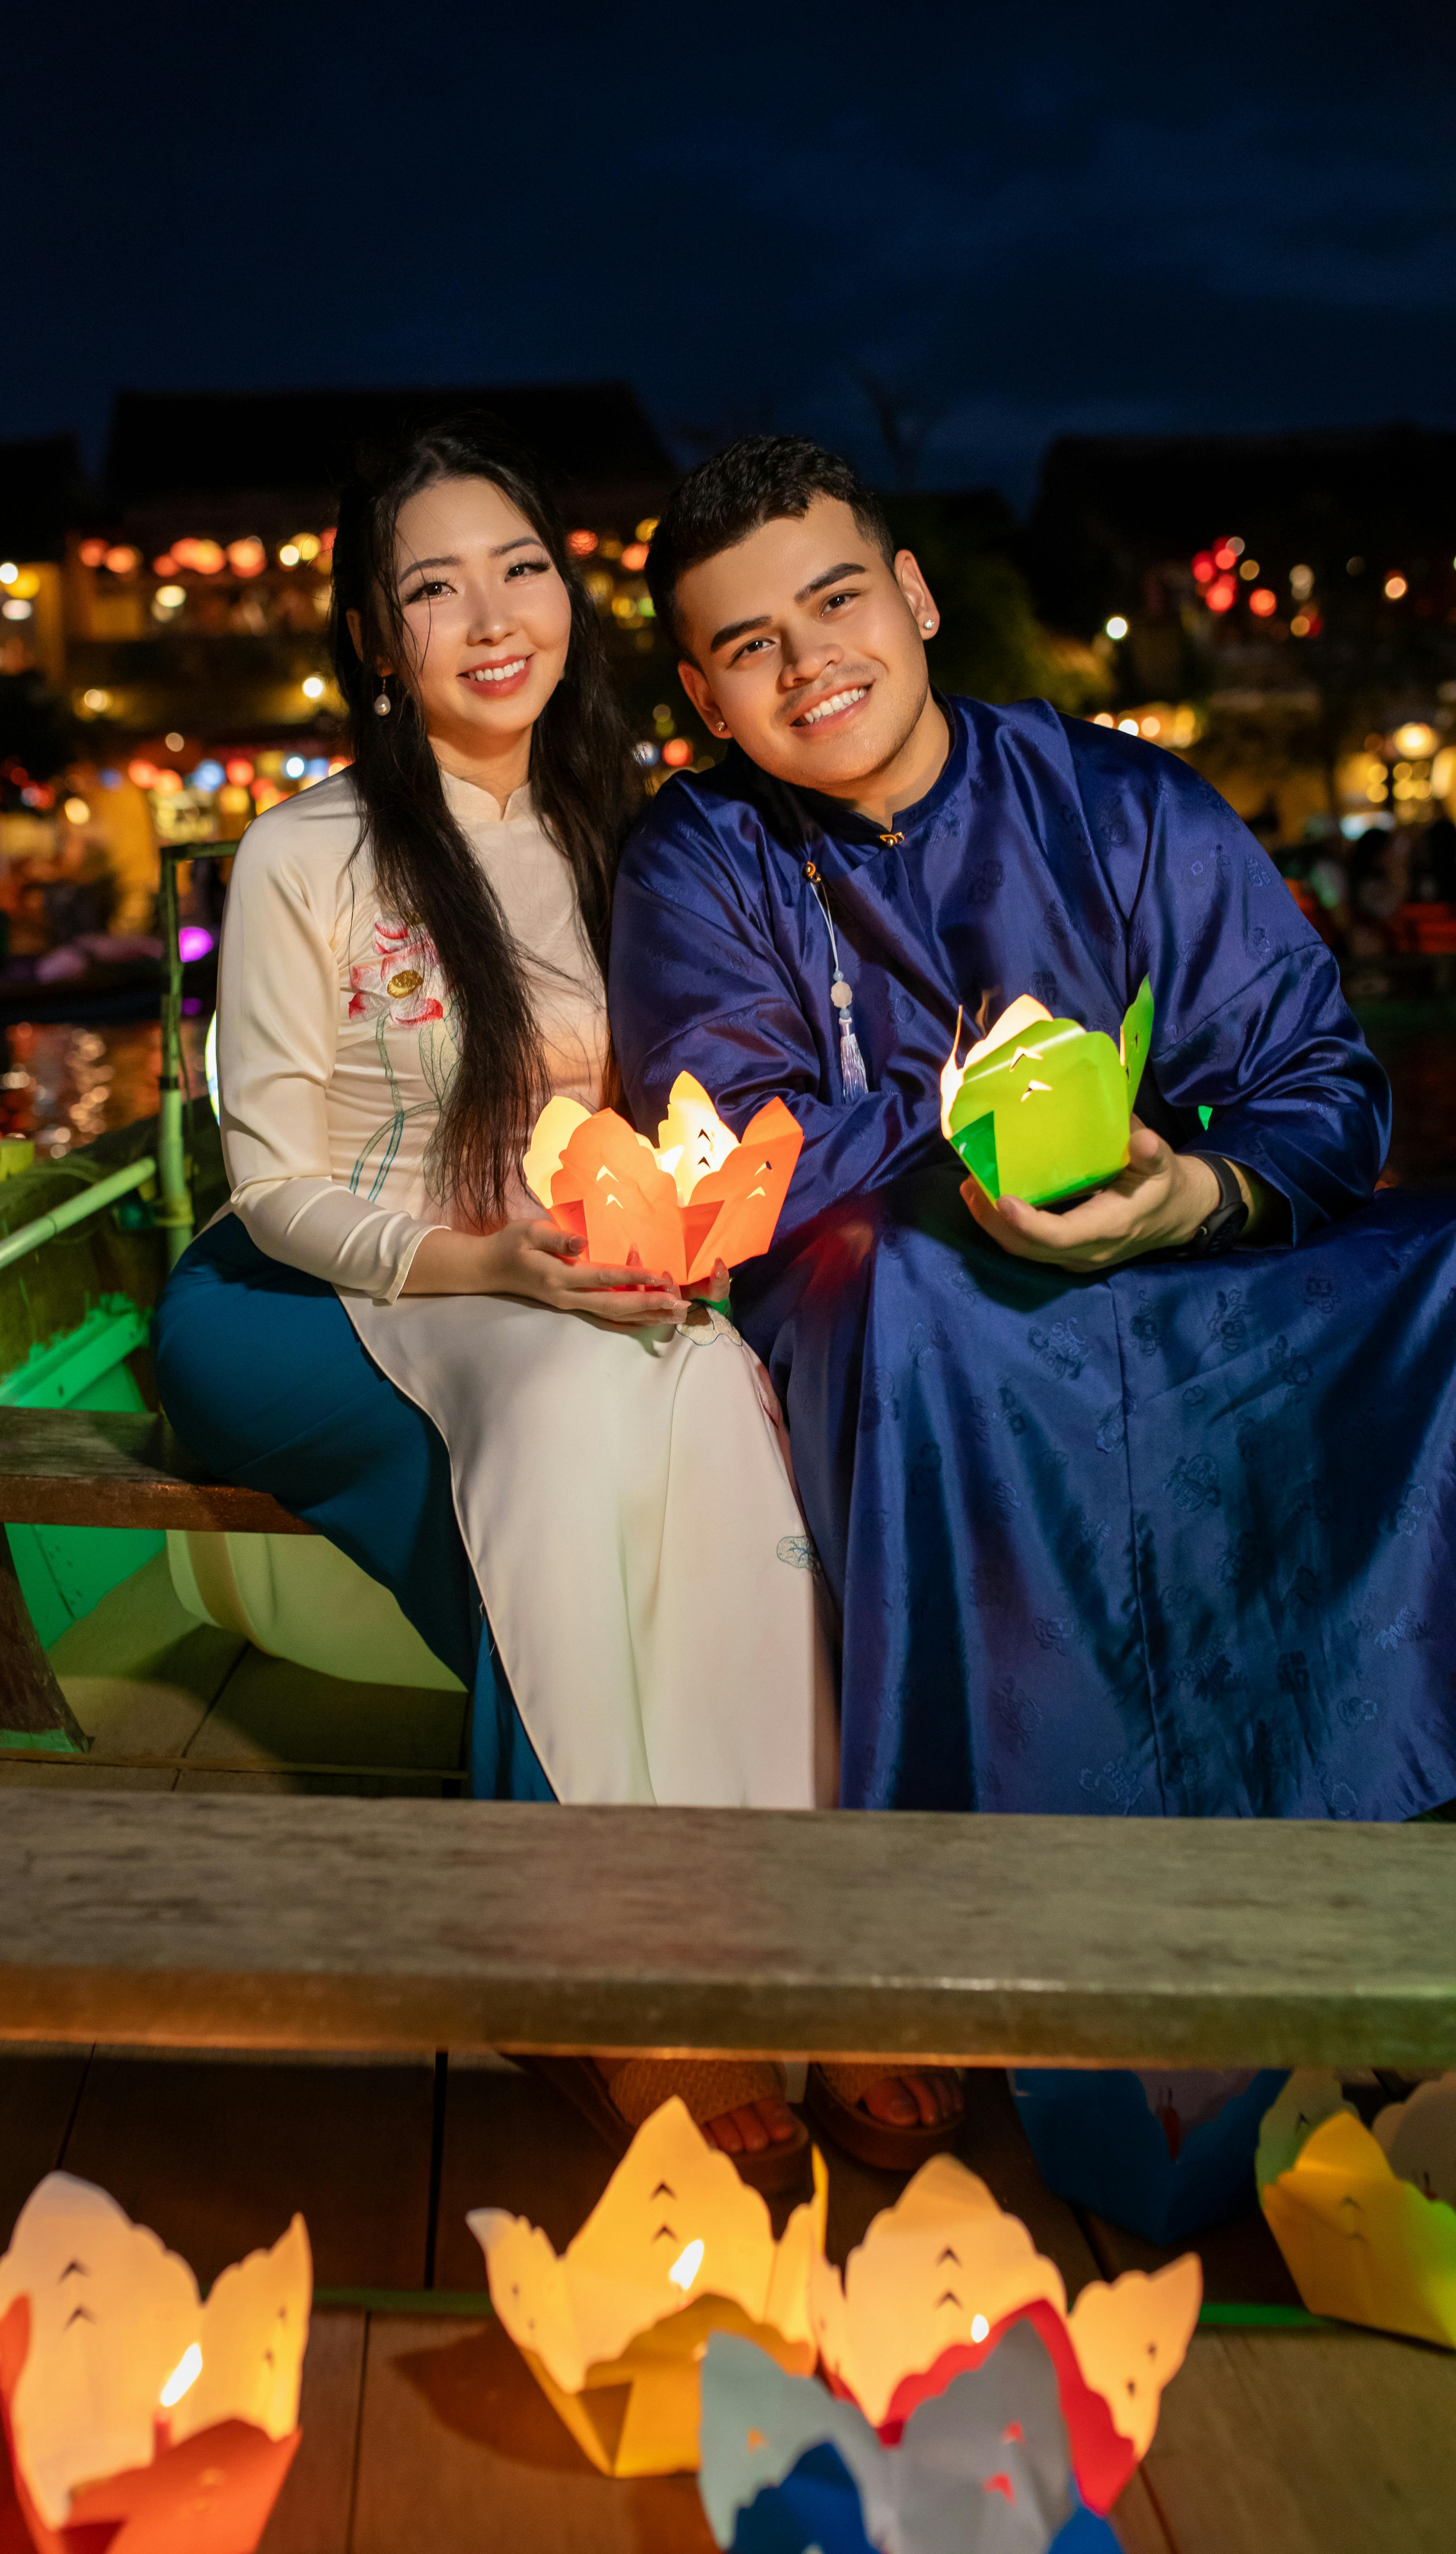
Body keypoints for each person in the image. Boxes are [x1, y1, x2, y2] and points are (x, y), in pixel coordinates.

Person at [155, 421, 939, 2185]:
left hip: (568, 1263)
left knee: (723, 1410)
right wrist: (496, 1266)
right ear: (373, 634)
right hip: (317, 1284)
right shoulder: (313, 850)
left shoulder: (633, 838)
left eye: (519, 568)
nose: (490, 616)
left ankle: (799, 1943)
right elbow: (267, 1185)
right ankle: (604, 1981)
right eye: (431, 588)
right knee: (577, 1415)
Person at [610, 434, 1456, 1843]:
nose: (811, 661)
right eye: (750, 644)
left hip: (1181, 1271)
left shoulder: (1124, 805)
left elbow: (1320, 1082)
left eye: (838, 602)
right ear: (703, 696)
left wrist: (1187, 1190)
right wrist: (970, 1108)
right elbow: (720, 1151)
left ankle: (1393, 1831)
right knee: (895, 1284)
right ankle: (995, 1919)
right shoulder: (698, 858)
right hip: (916, 1323)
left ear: (917, 595)